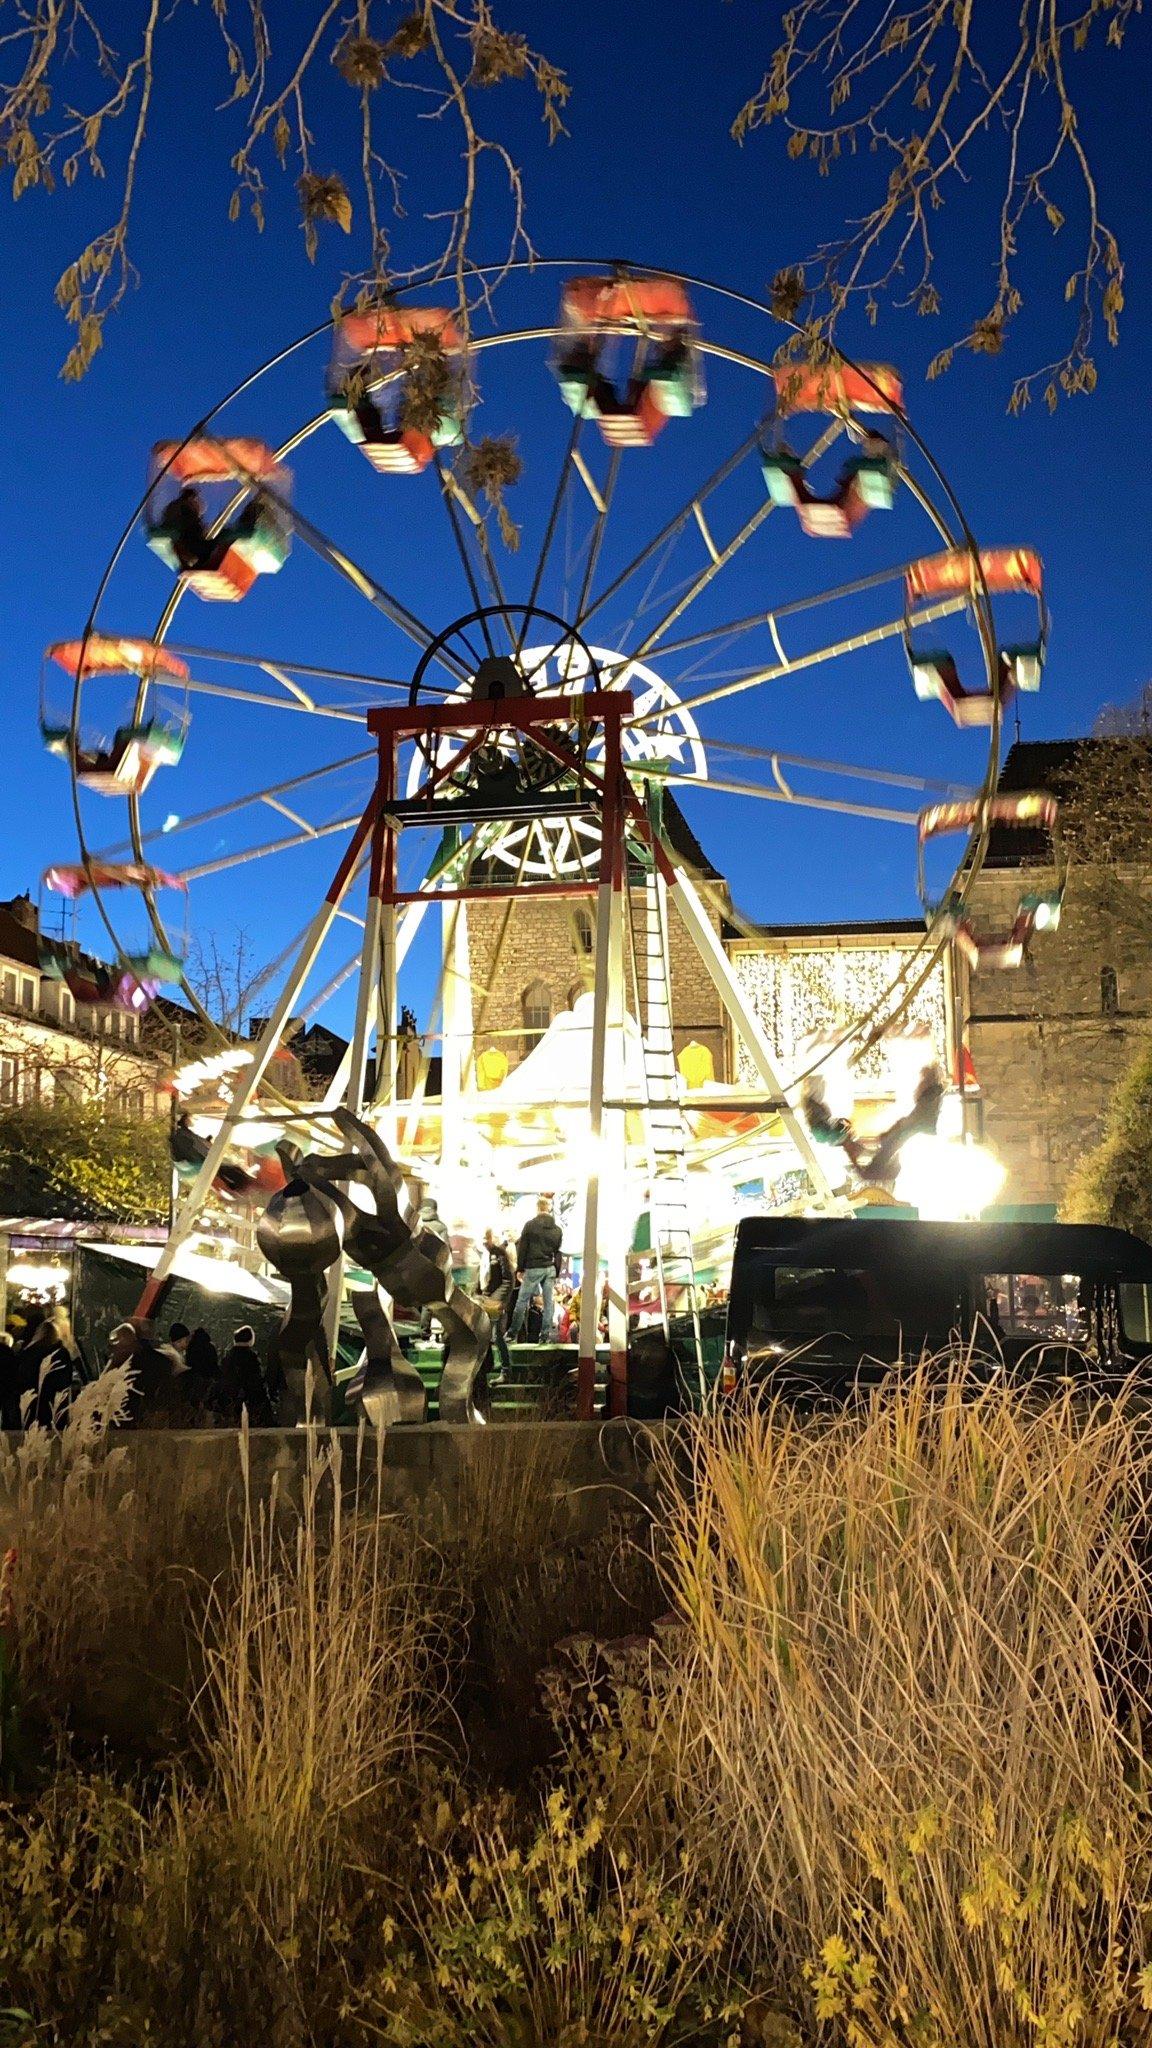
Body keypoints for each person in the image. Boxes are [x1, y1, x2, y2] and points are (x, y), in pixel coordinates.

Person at [506, 1199, 563, 1345]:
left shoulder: (530, 1226)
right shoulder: (557, 1230)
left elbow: (523, 1248)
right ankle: (544, 1335)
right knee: (549, 1303)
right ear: (549, 1209)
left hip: (533, 1267)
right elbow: (557, 1252)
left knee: (522, 1301)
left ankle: (512, 1333)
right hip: (549, 1268)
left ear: (538, 1208)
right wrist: (555, 1271)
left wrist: (520, 1268)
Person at [216, 1325, 275, 1427]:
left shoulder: (228, 1357)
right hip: (250, 1400)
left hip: (230, 1400)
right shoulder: (251, 1357)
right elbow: (255, 1381)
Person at [479, 1225, 514, 1379]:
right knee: (491, 1334)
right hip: (489, 1299)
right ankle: (498, 1367)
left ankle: (505, 1369)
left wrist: (500, 1299)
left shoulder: (498, 1254)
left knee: (496, 1334)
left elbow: (507, 1279)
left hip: (495, 1300)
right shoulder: (488, 1254)